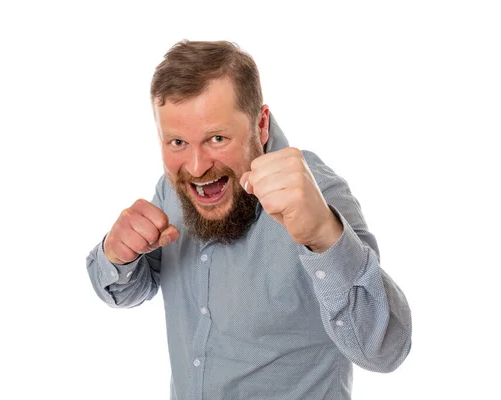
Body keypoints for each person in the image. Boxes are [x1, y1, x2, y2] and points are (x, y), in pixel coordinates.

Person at [86, 40, 412, 400]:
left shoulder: (317, 193)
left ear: (261, 124)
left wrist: (325, 238)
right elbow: (127, 290)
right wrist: (117, 255)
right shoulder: (173, 187)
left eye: (217, 138)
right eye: (177, 142)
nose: (196, 167)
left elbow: (386, 352)